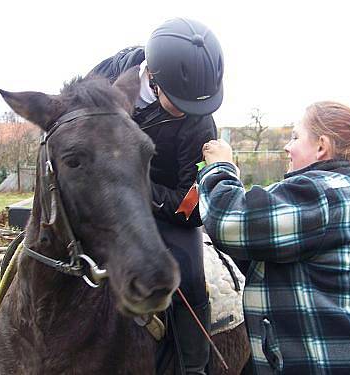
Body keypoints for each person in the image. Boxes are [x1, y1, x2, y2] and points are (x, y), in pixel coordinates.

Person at [198, 101, 350, 374]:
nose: (288, 147)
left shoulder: (321, 193)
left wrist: (220, 167)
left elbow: (229, 222)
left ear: (321, 146)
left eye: (295, 137)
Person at [87, 18, 224, 374]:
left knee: (191, 272)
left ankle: (194, 365)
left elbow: (189, 207)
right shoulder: (112, 71)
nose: (188, 112)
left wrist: (136, 189)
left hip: (162, 206)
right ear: (153, 78)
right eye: (178, 103)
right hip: (96, 190)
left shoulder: (200, 121)